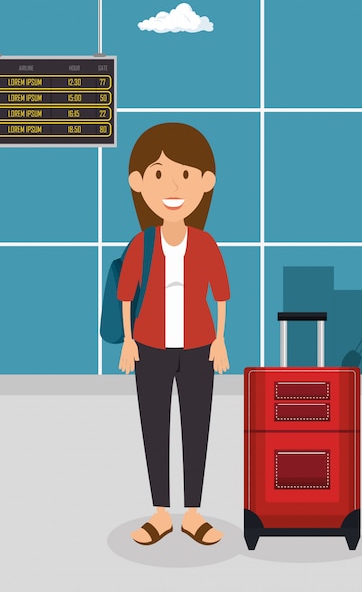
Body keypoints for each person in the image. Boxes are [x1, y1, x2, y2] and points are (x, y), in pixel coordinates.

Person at [117, 123, 230, 546]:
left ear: (204, 183)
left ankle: (194, 513)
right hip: (150, 348)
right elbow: (126, 296)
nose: (173, 187)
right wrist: (128, 341)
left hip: (200, 347)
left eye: (185, 175)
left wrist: (220, 340)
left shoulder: (205, 244)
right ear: (139, 183)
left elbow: (221, 295)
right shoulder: (140, 244)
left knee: (196, 426)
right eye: (160, 175)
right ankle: (162, 512)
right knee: (155, 426)